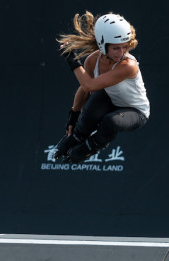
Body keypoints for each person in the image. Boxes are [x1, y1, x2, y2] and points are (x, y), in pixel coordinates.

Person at [53, 11, 150, 163]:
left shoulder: (128, 66)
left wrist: (72, 61)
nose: (121, 53)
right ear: (103, 45)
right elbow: (85, 89)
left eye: (124, 47)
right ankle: (78, 136)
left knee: (110, 122)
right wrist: (73, 116)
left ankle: (91, 147)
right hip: (111, 99)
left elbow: (88, 84)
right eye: (116, 48)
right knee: (91, 109)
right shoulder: (93, 60)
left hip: (135, 111)